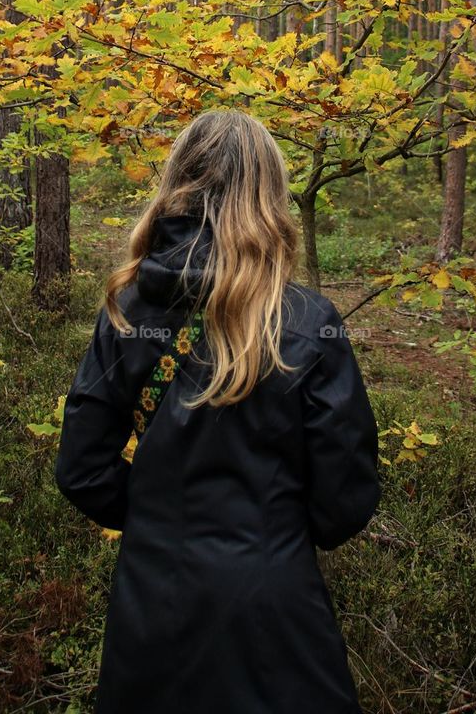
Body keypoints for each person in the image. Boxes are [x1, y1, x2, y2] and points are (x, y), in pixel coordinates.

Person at [54, 107, 381, 714]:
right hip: (275, 610)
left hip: (153, 604)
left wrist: (161, 517)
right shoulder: (309, 323)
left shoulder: (129, 307)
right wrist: (268, 532)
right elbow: (345, 502)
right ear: (269, 195)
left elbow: (82, 468)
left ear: (178, 185)